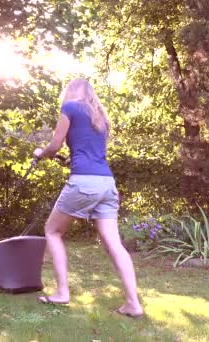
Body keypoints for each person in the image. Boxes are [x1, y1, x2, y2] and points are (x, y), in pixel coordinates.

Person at [33, 79, 144, 319]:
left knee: (53, 231)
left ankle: (62, 292)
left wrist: (41, 153)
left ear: (71, 92)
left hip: (84, 182)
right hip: (107, 184)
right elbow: (87, 150)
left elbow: (55, 145)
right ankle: (133, 303)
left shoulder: (70, 108)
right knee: (114, 244)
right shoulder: (101, 119)